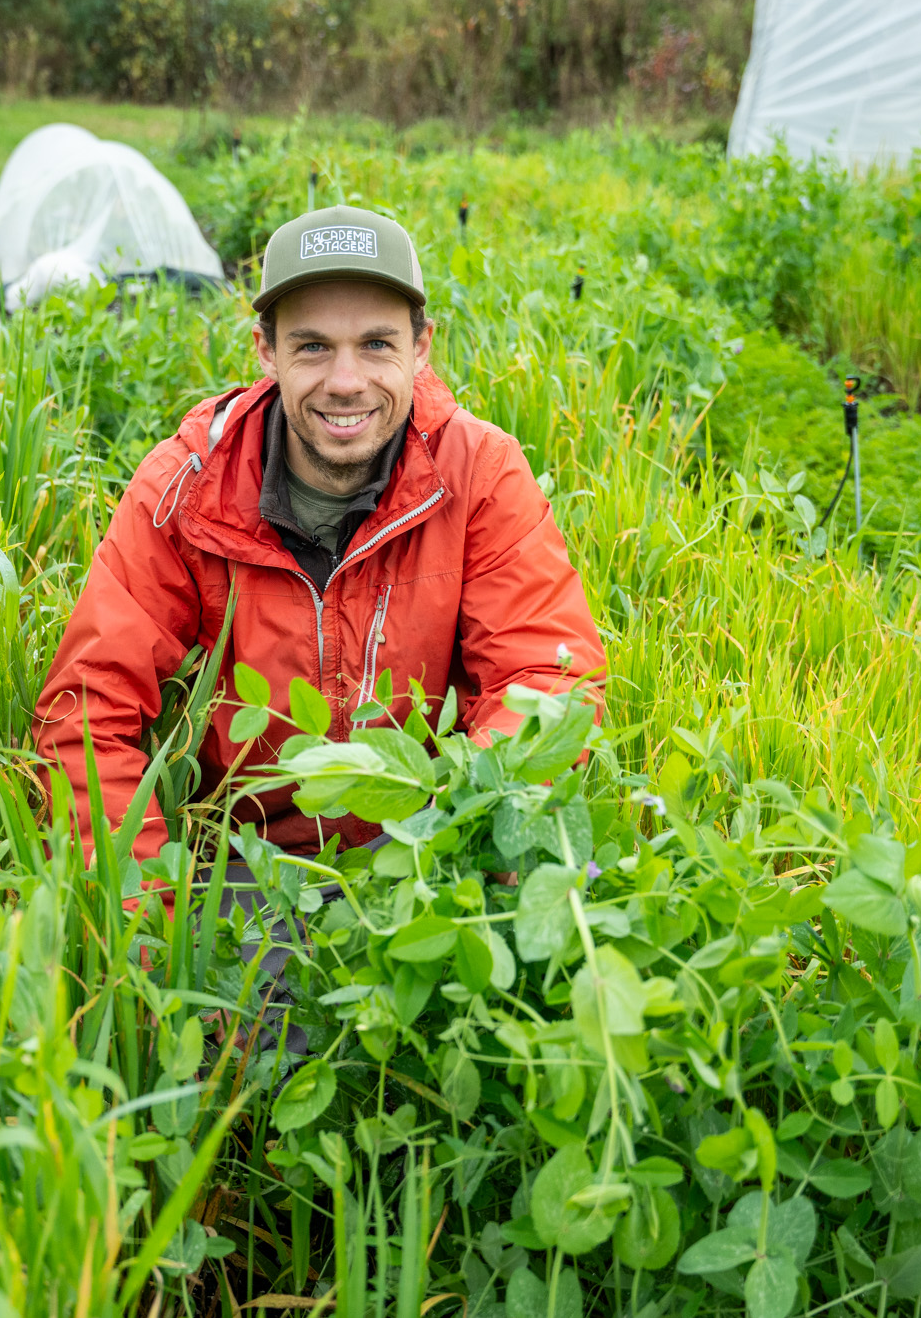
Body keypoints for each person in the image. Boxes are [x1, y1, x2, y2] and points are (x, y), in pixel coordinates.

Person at [33, 203, 605, 872]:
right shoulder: (186, 488)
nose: (345, 382)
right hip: (238, 875)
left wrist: (457, 838)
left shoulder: (478, 472)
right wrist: (147, 907)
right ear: (266, 350)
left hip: (428, 857)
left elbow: (545, 679)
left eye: (377, 344)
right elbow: (86, 712)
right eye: (312, 346)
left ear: (421, 347)